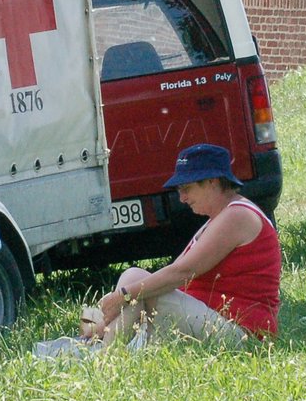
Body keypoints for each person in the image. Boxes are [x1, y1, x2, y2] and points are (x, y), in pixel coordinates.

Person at [85, 143, 281, 347]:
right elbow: (172, 275)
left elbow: (181, 273)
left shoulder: (237, 215)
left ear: (212, 182)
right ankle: (105, 347)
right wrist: (116, 304)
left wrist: (123, 296)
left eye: (187, 188)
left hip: (241, 334)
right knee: (112, 301)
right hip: (216, 321)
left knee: (134, 281)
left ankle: (106, 361)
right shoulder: (220, 217)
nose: (182, 198)